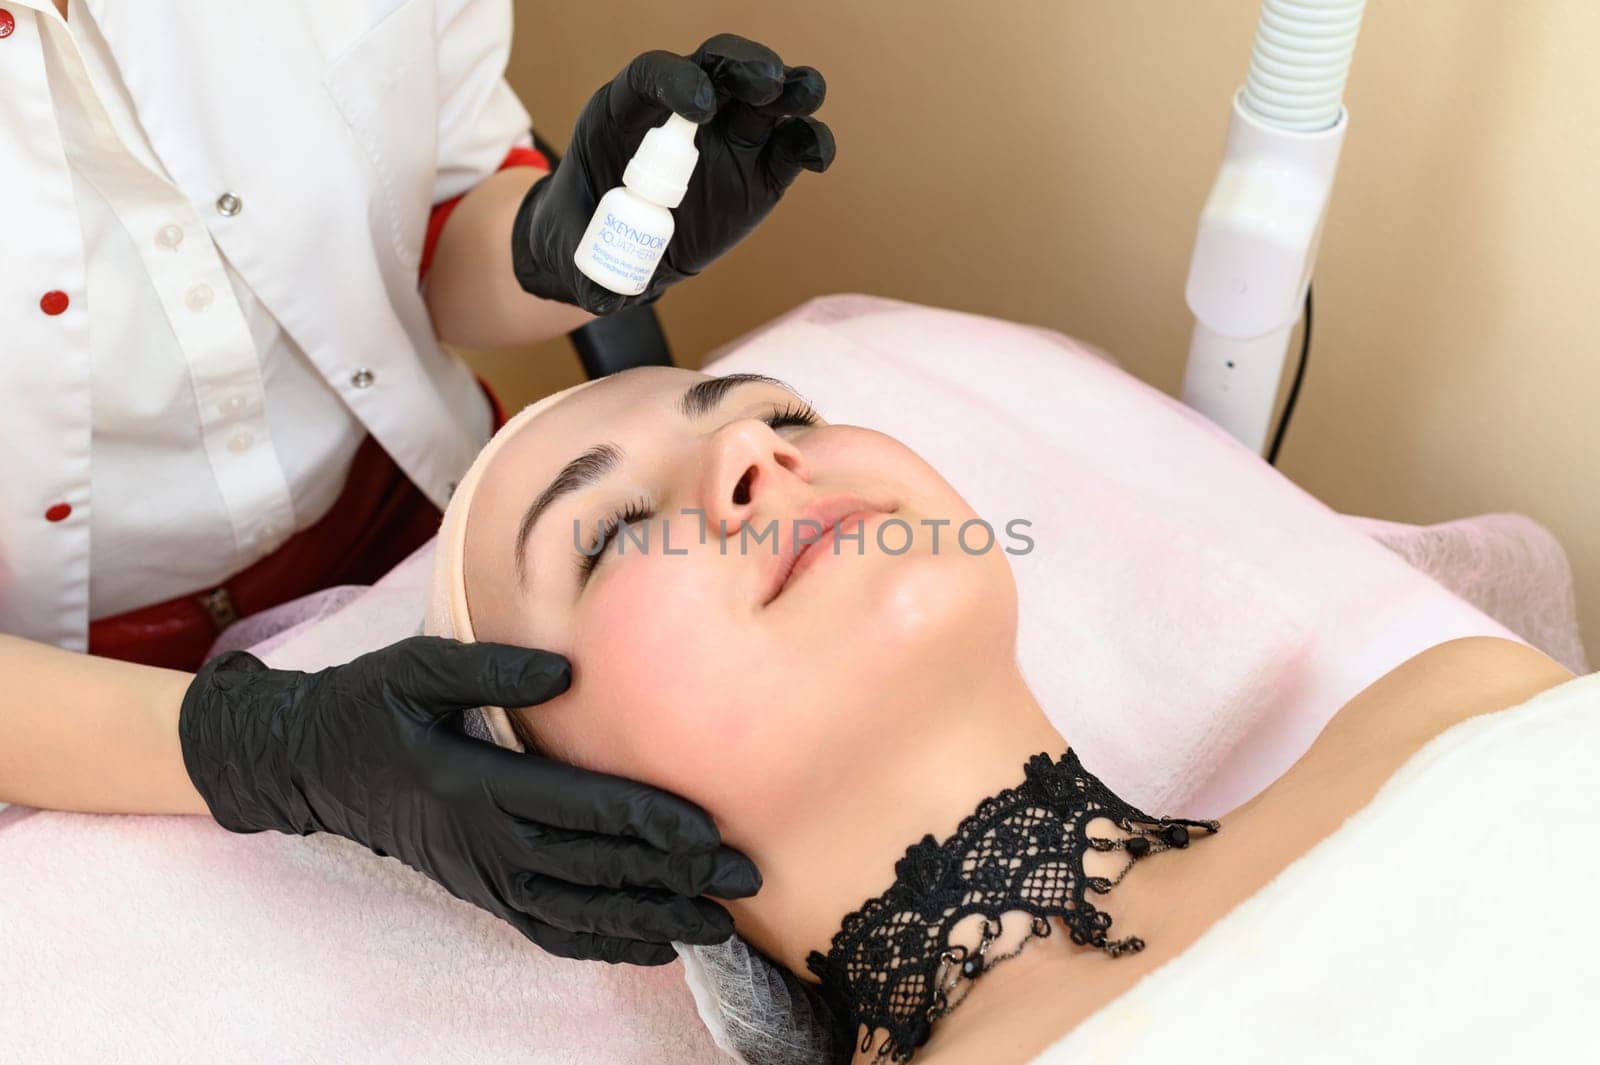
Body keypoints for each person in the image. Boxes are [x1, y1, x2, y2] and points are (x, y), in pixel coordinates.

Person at [414, 365, 1577, 1061]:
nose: (749, 449)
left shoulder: (1450, 705)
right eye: (612, 532)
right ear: (559, 804)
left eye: (788, 411)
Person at [0, 0, 833, 966]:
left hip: (416, 521)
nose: (759, 461)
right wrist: (273, 750)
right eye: (603, 535)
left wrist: (550, 242)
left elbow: (426, 222)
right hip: (55, 688)